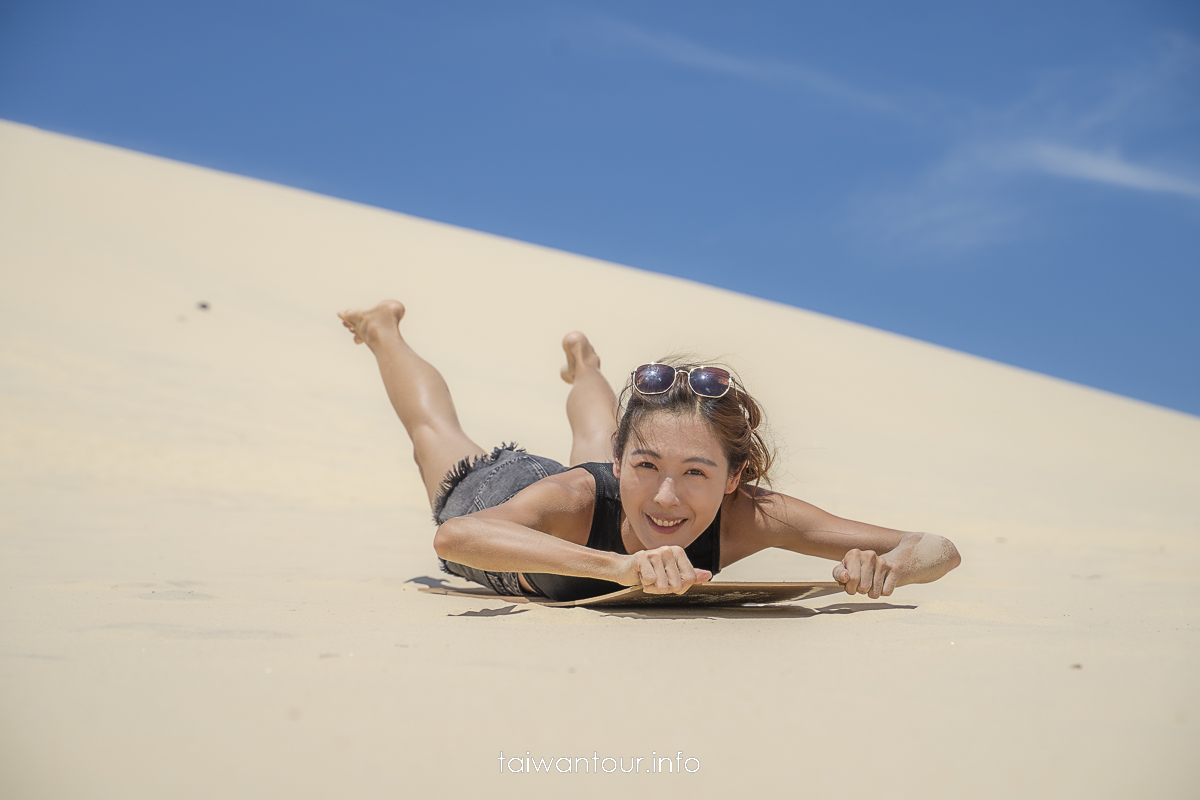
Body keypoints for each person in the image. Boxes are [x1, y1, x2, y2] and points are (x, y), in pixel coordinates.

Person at [338, 299, 961, 603]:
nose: (667, 497)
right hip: (503, 493)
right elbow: (456, 537)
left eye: (696, 471)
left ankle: (584, 365)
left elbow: (939, 548)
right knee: (434, 432)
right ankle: (383, 329)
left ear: (732, 477)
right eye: (646, 466)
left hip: (594, 479)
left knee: (593, 449)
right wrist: (619, 569)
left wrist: (895, 566)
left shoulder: (753, 515)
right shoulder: (579, 494)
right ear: (623, 461)